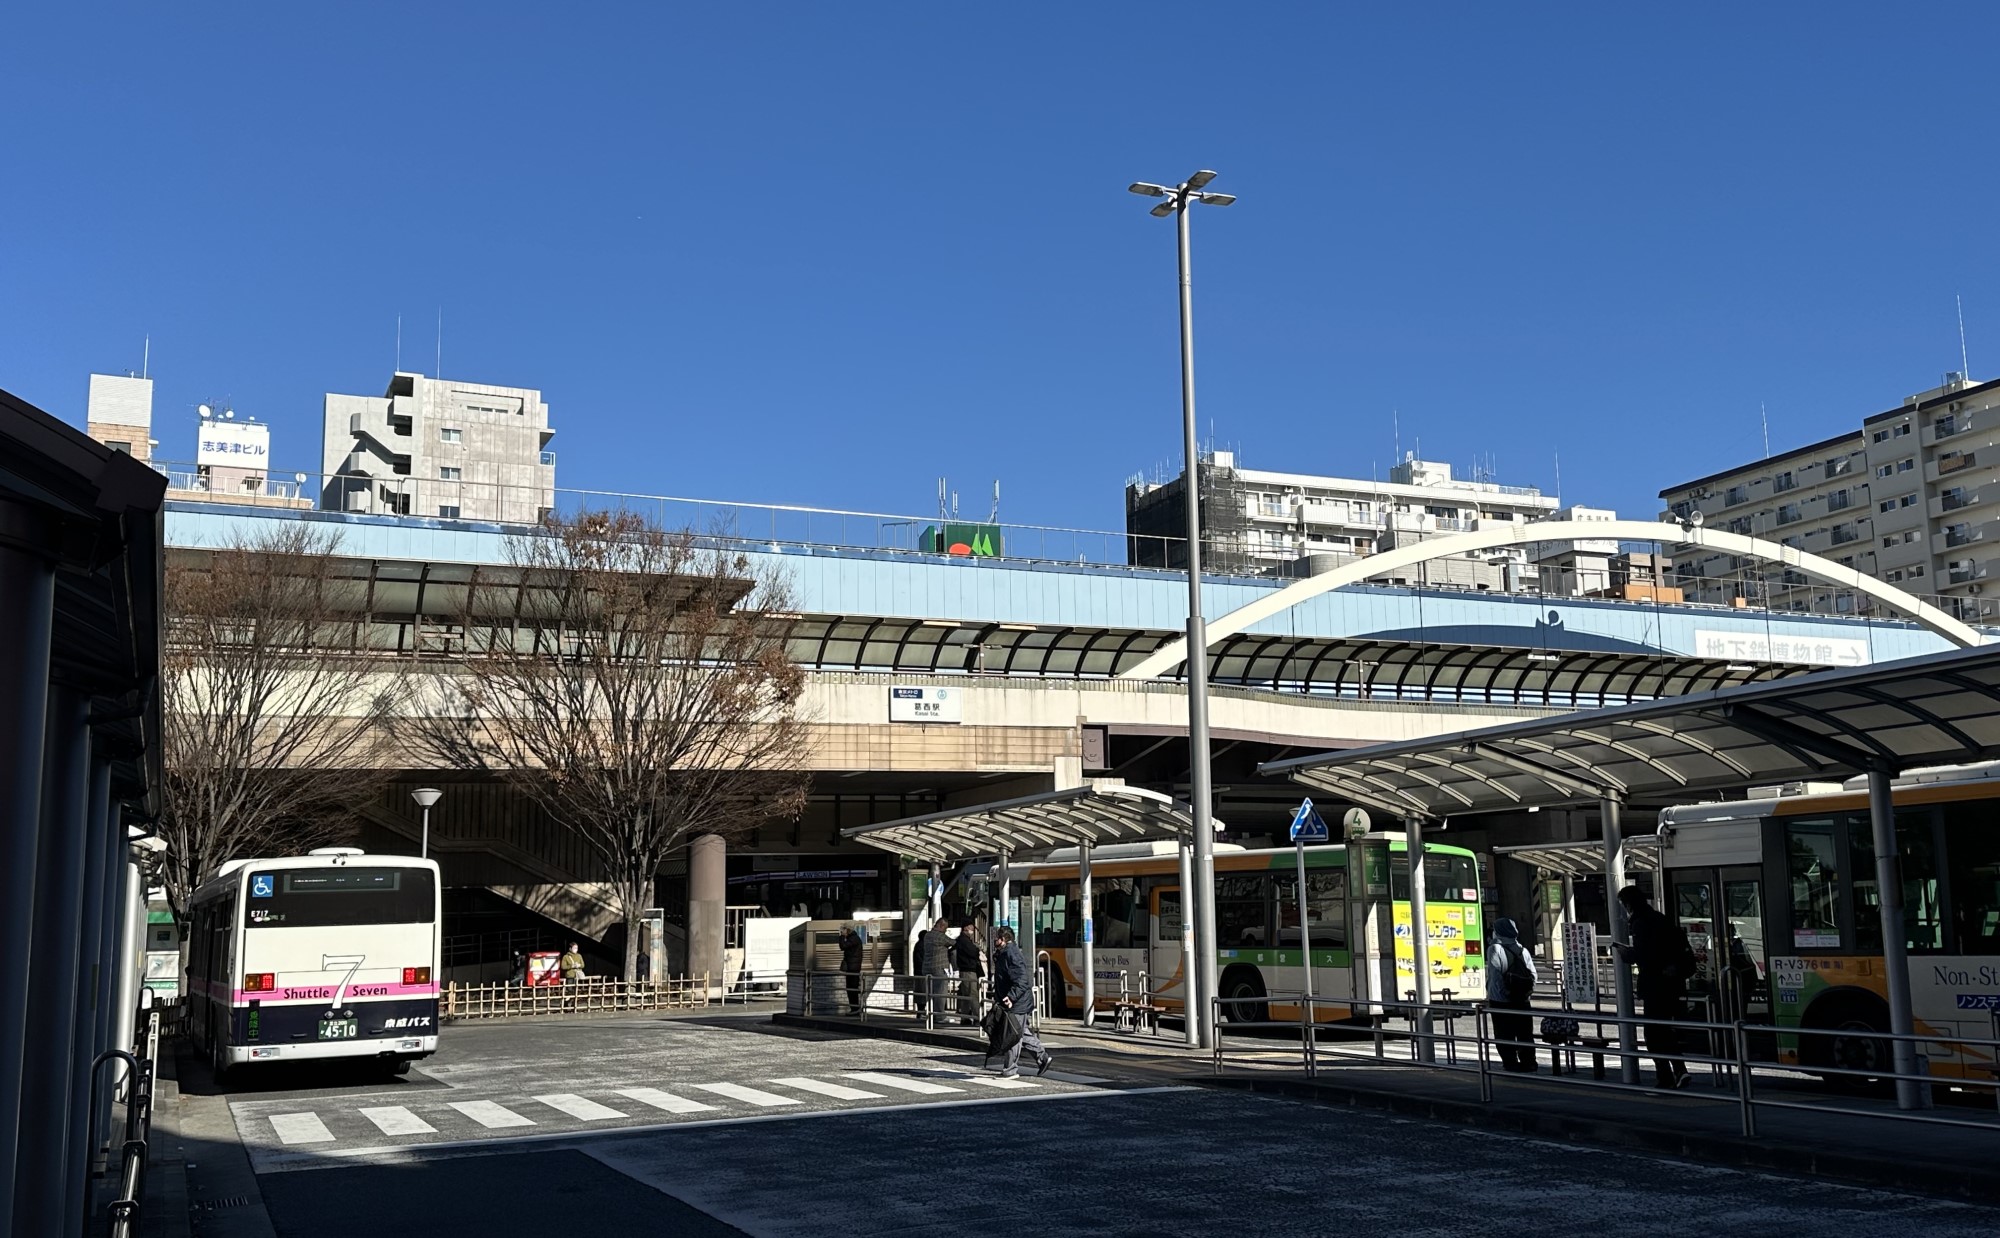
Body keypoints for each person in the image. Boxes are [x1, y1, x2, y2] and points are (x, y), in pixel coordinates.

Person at [1616, 885, 1693, 1089]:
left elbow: (1646, 955)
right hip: (1672, 985)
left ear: (1629, 903)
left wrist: (1627, 955)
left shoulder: (1641, 923)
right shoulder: (1660, 918)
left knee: (1653, 1034)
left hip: (1654, 985)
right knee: (1665, 1030)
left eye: (1624, 904)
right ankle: (1679, 1070)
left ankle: (1667, 1076)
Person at [987, 926, 1052, 1078]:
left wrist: (1011, 997)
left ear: (1003, 940)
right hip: (1016, 1001)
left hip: (1017, 1003)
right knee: (1021, 1032)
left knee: (1012, 1035)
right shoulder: (1006, 952)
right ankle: (1043, 1057)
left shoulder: (1012, 954)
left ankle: (1010, 1069)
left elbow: (1023, 980)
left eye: (996, 938)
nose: (994, 940)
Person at [1486, 917, 1538, 1072]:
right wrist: (1525, 992)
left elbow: (1496, 977)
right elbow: (1533, 975)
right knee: (1524, 1032)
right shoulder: (1522, 950)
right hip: (1522, 999)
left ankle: (1511, 1063)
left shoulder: (1495, 949)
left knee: (1504, 1033)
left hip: (1501, 1001)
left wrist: (1504, 994)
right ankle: (1529, 1062)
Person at [914, 918, 951, 1023]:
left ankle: (931, 1015)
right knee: (940, 992)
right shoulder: (940, 936)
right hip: (939, 968)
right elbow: (952, 942)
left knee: (930, 993)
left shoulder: (927, 936)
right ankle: (939, 1016)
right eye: (945, 928)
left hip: (926, 968)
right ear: (941, 926)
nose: (945, 930)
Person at [953, 917, 985, 1024]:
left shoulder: (964, 940)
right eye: (971, 927)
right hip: (968, 970)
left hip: (967, 970)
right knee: (972, 994)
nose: (973, 929)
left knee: (966, 994)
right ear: (966, 927)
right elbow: (972, 952)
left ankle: (965, 1017)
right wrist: (977, 950)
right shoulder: (964, 940)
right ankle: (977, 1017)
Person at [838, 924, 865, 1015]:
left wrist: (841, 937)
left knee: (852, 988)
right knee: (851, 988)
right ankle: (854, 1008)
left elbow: (843, 946)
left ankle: (855, 1009)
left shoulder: (853, 939)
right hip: (852, 967)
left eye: (843, 930)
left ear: (848, 930)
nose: (842, 931)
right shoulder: (854, 938)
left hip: (853, 968)